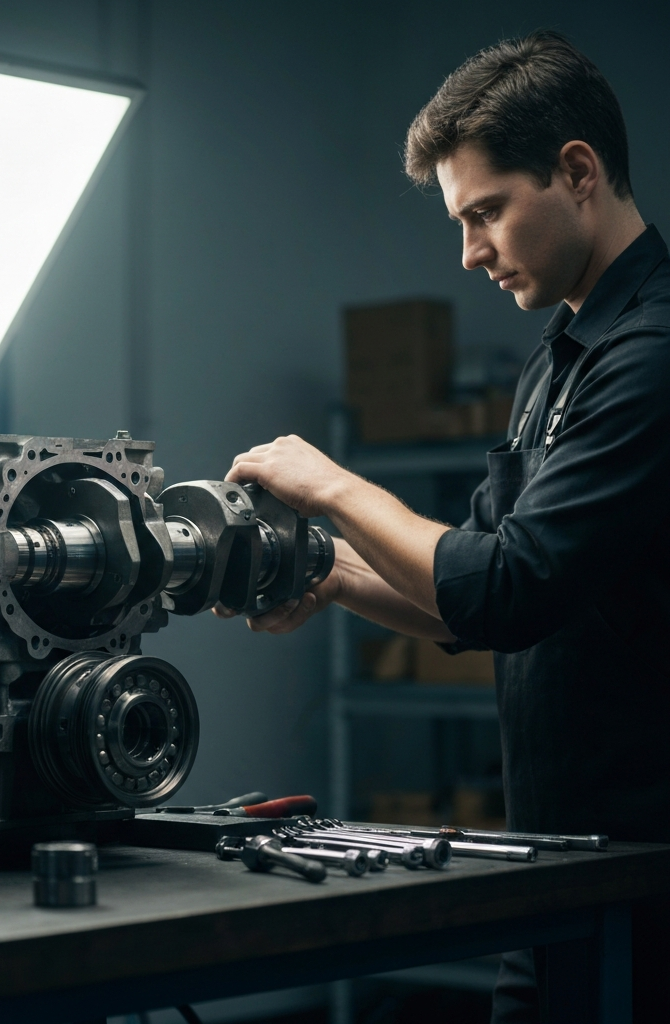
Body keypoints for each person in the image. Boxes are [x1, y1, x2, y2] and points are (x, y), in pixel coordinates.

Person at [220, 31, 670, 1024]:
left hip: (646, 885)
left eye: (485, 213)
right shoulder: (557, 360)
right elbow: (461, 590)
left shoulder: (651, 357)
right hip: (551, 867)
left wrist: (333, 484)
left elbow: (509, 583)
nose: (468, 253)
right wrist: (335, 573)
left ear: (577, 171)